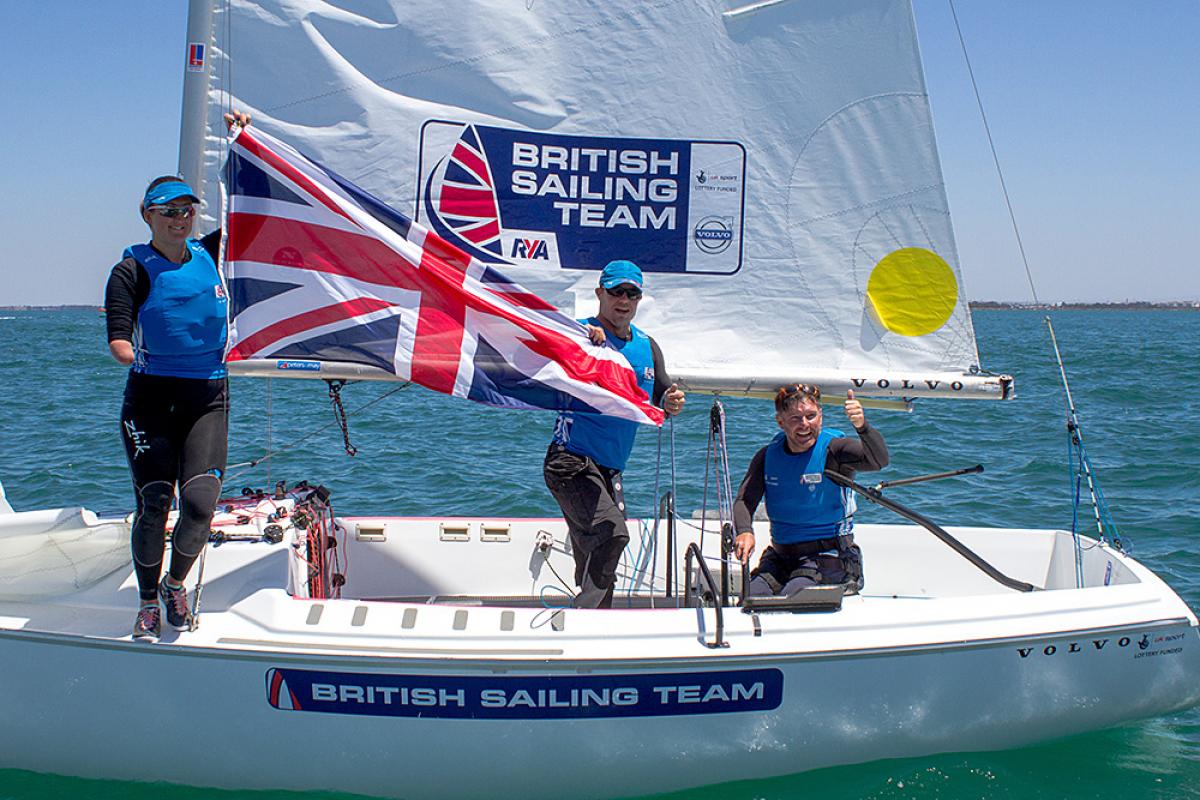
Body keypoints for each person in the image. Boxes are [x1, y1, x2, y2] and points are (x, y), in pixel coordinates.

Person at [106, 112, 250, 641]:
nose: (179, 219)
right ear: (147, 215)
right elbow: (119, 332)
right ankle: (146, 600)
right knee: (154, 504)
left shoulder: (213, 255)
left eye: (187, 210)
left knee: (200, 504)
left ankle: (175, 584)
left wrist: (243, 140)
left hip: (208, 395)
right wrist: (125, 348)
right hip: (151, 397)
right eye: (168, 211)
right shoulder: (132, 270)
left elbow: (250, 204)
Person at [544, 260, 685, 608]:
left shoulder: (648, 346)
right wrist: (584, 344)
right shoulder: (578, 334)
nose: (624, 299)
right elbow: (547, 354)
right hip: (570, 461)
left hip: (609, 469)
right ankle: (583, 614)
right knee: (612, 534)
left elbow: (661, 395)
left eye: (632, 293)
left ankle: (594, 632)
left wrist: (672, 401)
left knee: (596, 556)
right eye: (616, 292)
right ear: (599, 294)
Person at [732, 384, 888, 597]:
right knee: (751, 599)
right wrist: (744, 531)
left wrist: (862, 426)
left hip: (828, 555)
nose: (804, 425)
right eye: (795, 418)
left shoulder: (834, 451)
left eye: (811, 416)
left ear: (821, 417)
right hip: (781, 556)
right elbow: (744, 500)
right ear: (781, 422)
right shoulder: (767, 456)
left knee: (792, 599)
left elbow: (878, 461)